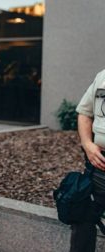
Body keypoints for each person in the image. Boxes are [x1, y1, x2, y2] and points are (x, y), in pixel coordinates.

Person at [72, 70, 105, 252]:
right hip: (98, 165)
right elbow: (84, 112)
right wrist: (87, 143)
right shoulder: (103, 76)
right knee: (82, 216)